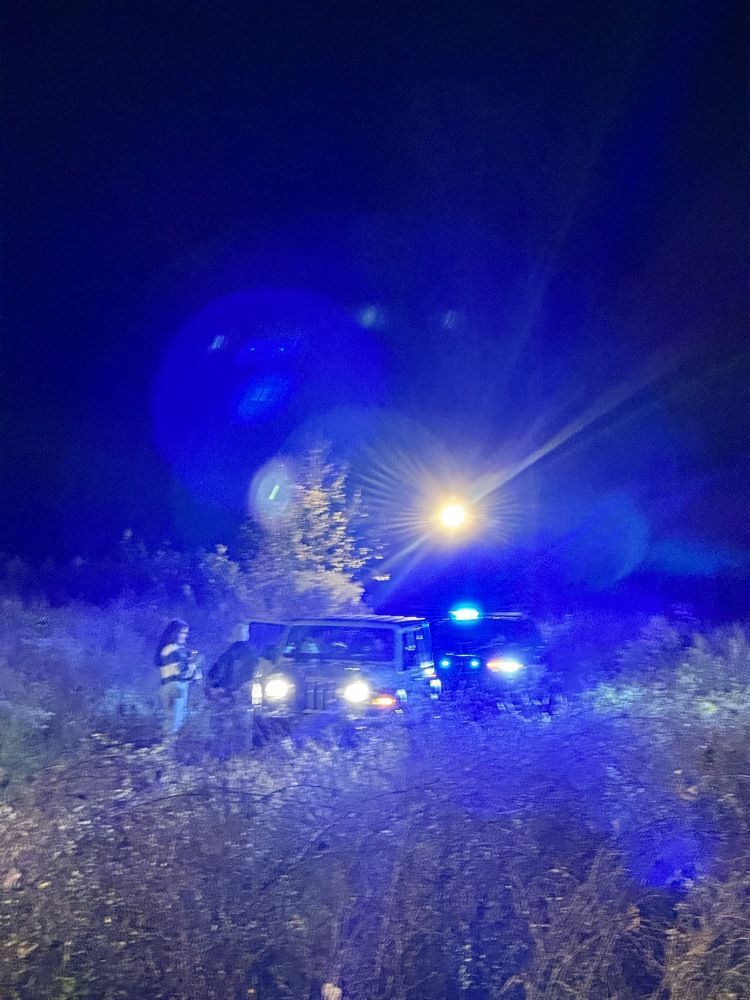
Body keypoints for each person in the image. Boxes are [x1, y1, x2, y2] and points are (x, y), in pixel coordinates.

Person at [204, 626, 259, 757]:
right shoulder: (249, 651)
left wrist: (215, 688)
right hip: (238, 694)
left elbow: (216, 672)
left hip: (231, 694)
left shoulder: (232, 651)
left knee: (226, 726)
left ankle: (223, 756)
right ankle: (241, 756)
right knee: (242, 727)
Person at [155, 619, 201, 737]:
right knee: (174, 723)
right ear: (174, 633)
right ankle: (167, 745)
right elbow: (180, 674)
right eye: (182, 632)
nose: (185, 636)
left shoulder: (172, 649)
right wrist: (192, 663)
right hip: (175, 687)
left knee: (173, 721)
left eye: (186, 633)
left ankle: (166, 744)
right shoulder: (172, 650)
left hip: (170, 687)